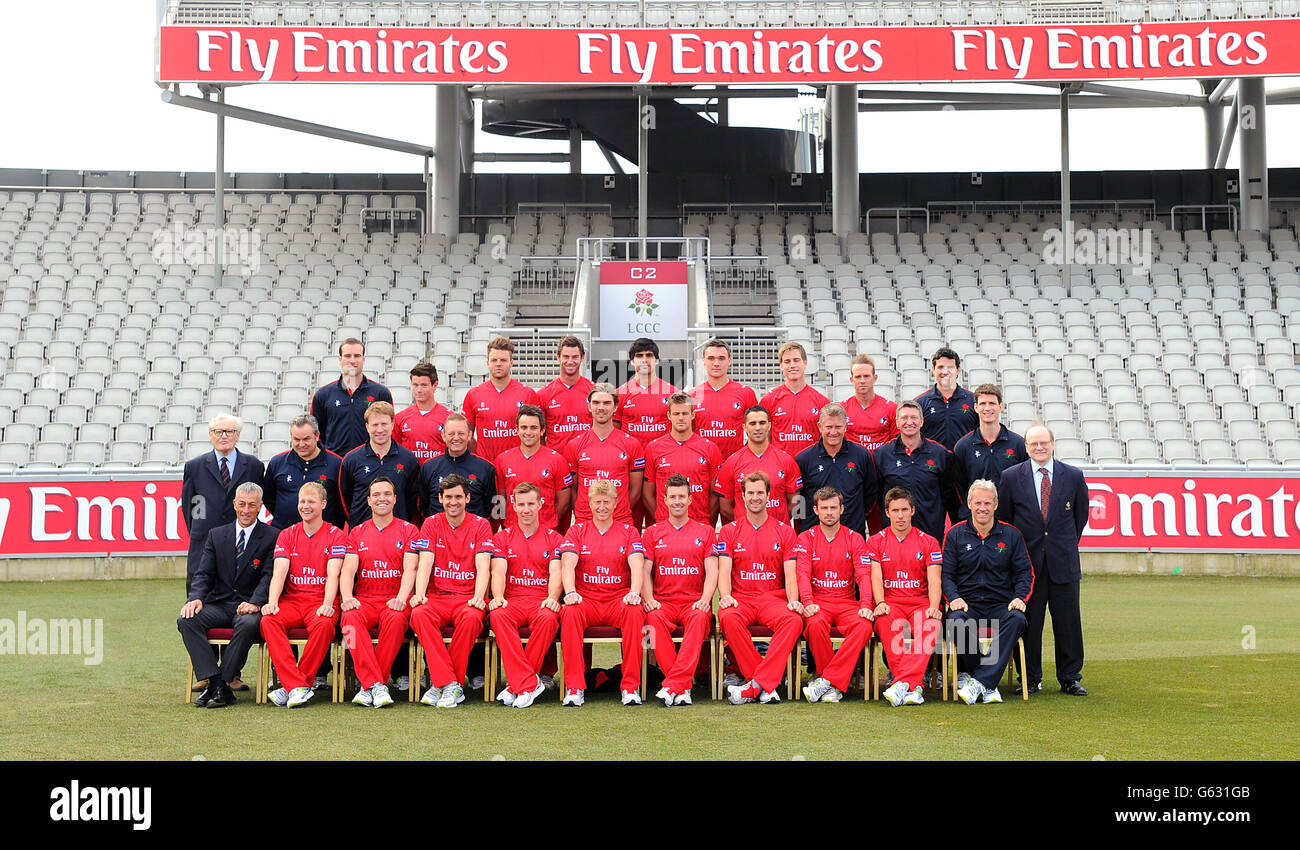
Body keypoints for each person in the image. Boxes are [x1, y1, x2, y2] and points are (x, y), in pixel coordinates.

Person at [997, 423, 1090, 696]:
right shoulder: (1011, 477)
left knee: (1068, 623)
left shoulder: (1073, 476)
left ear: (1052, 444)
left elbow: (1079, 519)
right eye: (1033, 444)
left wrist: (1062, 544)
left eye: (1044, 443)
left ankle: (1070, 677)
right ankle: (1030, 678)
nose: (1039, 448)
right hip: (1027, 567)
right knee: (1029, 623)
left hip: (1064, 563)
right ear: (1025, 447)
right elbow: (1006, 520)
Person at [178, 482, 277, 707]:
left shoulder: (272, 536)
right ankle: (217, 683)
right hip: (219, 604)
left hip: (250, 607)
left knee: (248, 624)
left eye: (252, 505)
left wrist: (255, 602)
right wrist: (195, 598)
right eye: (242, 504)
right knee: (187, 619)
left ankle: (219, 684)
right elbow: (203, 573)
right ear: (234, 504)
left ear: (261, 506)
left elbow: (268, 576)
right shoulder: (216, 535)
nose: (246, 510)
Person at [260, 482, 352, 708]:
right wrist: (272, 602)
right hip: (292, 601)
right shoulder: (287, 534)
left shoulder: (336, 535)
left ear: (323, 504)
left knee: (324, 625)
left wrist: (328, 603)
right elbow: (279, 573)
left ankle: (294, 686)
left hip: (319, 601)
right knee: (268, 620)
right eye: (302, 501)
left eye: (311, 501)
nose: (305, 506)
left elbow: (334, 574)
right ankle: (297, 686)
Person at [557, 480, 647, 707]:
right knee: (569, 613)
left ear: (615, 504)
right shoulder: (577, 530)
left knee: (635, 612)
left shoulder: (629, 531)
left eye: (607, 502)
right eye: (597, 502)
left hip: (618, 598)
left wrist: (635, 592)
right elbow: (567, 564)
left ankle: (630, 687)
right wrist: (570, 592)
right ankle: (575, 687)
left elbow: (637, 564)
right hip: (587, 598)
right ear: (589, 503)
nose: (602, 507)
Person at [944, 480, 1033, 705]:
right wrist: (954, 598)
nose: (982, 508)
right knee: (954, 621)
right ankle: (987, 681)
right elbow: (946, 575)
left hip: (1000, 604)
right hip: (967, 604)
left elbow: (1025, 572)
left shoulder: (1011, 535)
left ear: (996, 505)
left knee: (1018, 620)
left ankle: (980, 682)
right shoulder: (955, 534)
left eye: (987, 503)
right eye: (977, 503)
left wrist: (1019, 597)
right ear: (969, 504)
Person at [409, 475, 495, 708]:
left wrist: (479, 597)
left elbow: (483, 565)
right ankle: (451, 684)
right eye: (448, 497)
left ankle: (442, 684)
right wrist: (419, 594)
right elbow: (425, 562)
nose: (453, 502)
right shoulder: (431, 523)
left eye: (458, 497)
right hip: (438, 597)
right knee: (418, 614)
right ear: (440, 498)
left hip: (467, 597)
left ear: (467, 498)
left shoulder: (481, 524)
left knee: (471, 619)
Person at [718, 472, 803, 705]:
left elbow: (790, 572)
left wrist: (793, 600)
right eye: (751, 493)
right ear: (743, 496)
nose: (755, 497)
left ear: (768, 496)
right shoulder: (729, 531)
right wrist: (725, 596)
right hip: (741, 598)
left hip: (772, 599)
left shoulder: (785, 530)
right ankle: (766, 682)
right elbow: (724, 571)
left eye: (760, 493)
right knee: (727, 617)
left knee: (794, 620)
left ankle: (756, 685)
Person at [339, 476, 420, 708]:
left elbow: (411, 568)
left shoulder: (409, 530)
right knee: (349, 622)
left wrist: (402, 599)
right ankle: (377, 685)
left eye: (387, 494)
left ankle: (370, 685)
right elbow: (347, 570)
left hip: (394, 600)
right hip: (365, 600)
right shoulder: (357, 532)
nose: (381, 498)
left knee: (395, 621)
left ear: (395, 499)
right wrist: (347, 598)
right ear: (369, 501)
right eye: (376, 495)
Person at [641, 474, 719, 707]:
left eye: (681, 497)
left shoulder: (705, 531)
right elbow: (645, 570)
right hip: (663, 603)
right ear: (664, 500)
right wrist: (649, 599)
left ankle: (673, 685)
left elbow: (712, 569)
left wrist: (706, 600)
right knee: (651, 622)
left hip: (693, 602)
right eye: (673, 497)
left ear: (690, 500)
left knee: (698, 619)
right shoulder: (652, 532)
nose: (677, 501)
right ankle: (683, 686)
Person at [487, 483, 564, 709]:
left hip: (540, 599)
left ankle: (516, 685)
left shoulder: (554, 538)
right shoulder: (502, 538)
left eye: (531, 504)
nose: (526, 509)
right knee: (497, 615)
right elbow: (498, 570)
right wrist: (498, 596)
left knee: (549, 618)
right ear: (513, 506)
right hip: (513, 600)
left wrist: (552, 597)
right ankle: (529, 683)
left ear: (540, 504)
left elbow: (556, 571)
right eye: (521, 505)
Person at [795, 487, 874, 705]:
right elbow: (802, 574)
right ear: (815, 510)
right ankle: (834, 684)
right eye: (824, 508)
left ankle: (826, 680)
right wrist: (808, 602)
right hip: (819, 602)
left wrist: (866, 604)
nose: (829, 512)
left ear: (841, 509)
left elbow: (864, 575)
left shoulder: (855, 538)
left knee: (865, 625)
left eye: (833, 508)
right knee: (814, 623)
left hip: (847, 602)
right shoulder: (805, 538)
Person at [866, 487, 944, 707]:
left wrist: (935, 606)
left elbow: (935, 579)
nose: (900, 515)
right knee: (884, 621)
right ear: (887, 512)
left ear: (912, 511)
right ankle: (914, 686)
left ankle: (901, 683)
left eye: (904, 510)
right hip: (891, 603)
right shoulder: (875, 541)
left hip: (920, 602)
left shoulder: (928, 541)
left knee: (931, 625)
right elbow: (875, 576)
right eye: (895, 510)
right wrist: (880, 602)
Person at [181, 414, 265, 596]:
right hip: (204, 543)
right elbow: (189, 508)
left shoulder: (254, 466)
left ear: (238, 435)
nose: (223, 436)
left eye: (229, 431)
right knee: (198, 603)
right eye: (218, 431)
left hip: (242, 543)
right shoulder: (194, 466)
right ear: (211, 435)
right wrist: (201, 531)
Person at [871, 401, 958, 542]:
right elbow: (877, 495)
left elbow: (947, 493)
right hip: (895, 534)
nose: (909, 422)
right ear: (897, 422)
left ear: (922, 422)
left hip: (930, 531)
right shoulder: (881, 455)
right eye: (904, 418)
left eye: (914, 418)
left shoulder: (941, 454)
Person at [563, 383, 645, 525]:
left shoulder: (632, 444)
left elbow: (636, 491)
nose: (601, 408)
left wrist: (618, 512)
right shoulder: (574, 445)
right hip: (585, 523)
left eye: (607, 403)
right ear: (589, 406)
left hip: (621, 522)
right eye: (596, 403)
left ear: (615, 407)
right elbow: (572, 490)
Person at [616, 337, 678, 527]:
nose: (644, 360)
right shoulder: (620, 393)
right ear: (632, 361)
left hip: (661, 469)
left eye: (649, 355)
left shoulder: (672, 393)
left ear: (657, 360)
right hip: (630, 470)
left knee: (659, 524)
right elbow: (616, 434)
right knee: (628, 526)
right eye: (639, 356)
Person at [795, 403, 878, 536]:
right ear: (819, 427)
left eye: (838, 427)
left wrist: (855, 515)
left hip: (853, 533)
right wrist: (806, 525)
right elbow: (798, 500)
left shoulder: (862, 455)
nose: (833, 432)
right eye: (828, 427)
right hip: (814, 536)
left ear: (845, 427)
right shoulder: (804, 459)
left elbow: (871, 493)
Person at [642, 391, 722, 526]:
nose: (680, 418)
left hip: (700, 524)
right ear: (669, 415)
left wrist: (705, 522)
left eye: (685, 413)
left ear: (692, 415)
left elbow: (715, 496)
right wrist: (662, 520)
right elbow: (647, 494)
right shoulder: (654, 448)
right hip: (664, 525)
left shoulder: (710, 448)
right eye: (676, 413)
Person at [713, 405, 802, 525]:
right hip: (744, 536)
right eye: (753, 423)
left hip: (778, 535)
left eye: (762, 423)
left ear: (769, 426)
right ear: (744, 427)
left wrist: (777, 525)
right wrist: (745, 525)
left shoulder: (786, 460)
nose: (758, 428)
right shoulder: (732, 462)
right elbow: (725, 508)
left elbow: (795, 502)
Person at [952, 384, 1028, 520]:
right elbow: (959, 487)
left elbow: (1025, 483)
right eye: (983, 403)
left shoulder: (1018, 444)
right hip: (975, 521)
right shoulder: (963, 446)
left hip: (1009, 520)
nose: (987, 408)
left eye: (992, 403)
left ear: (1001, 406)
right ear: (975, 407)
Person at [462, 335, 541, 466]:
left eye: (503, 360)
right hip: (486, 467)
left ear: (511, 363)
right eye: (494, 360)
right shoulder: (473, 395)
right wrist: (479, 455)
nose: (498, 364)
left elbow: (539, 435)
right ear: (487, 363)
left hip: (519, 466)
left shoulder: (528, 394)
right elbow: (467, 435)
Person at [338, 401, 421, 526]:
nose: (380, 430)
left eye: (384, 424)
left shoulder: (408, 459)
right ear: (367, 427)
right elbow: (345, 499)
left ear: (392, 424)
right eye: (375, 425)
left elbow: (412, 499)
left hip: (398, 534)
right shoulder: (351, 460)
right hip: (361, 533)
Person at [311, 337, 393, 456]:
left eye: (357, 356)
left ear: (363, 359)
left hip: (369, 461)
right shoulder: (323, 395)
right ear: (340, 359)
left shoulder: (380, 393)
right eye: (348, 356)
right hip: (335, 462)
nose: (352, 360)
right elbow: (317, 433)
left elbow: (389, 428)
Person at [495, 405, 572, 531]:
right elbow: (500, 501)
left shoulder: (557, 460)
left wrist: (547, 524)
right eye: (524, 427)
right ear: (517, 430)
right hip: (513, 532)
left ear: (542, 430)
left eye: (534, 428)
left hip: (546, 533)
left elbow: (563, 503)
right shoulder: (502, 460)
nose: (528, 432)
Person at [262, 414, 345, 530]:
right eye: (296, 439)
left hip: (325, 537)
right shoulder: (277, 463)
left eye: (306, 439)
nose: (301, 444)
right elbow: (268, 498)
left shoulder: (337, 464)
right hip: (283, 535)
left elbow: (344, 502)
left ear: (317, 436)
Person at [417, 413, 497, 522]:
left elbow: (491, 508)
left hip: (473, 534)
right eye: (451, 434)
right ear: (443, 436)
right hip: (438, 534)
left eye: (461, 433)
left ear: (469, 435)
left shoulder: (486, 468)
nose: (456, 438)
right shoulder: (429, 467)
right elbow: (423, 506)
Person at [689, 338, 757, 460]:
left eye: (721, 358)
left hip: (735, 464)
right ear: (703, 361)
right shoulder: (692, 395)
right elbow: (689, 434)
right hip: (703, 464)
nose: (716, 363)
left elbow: (757, 430)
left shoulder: (746, 393)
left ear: (729, 361)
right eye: (711, 358)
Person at [760, 342, 830, 456]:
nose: (792, 365)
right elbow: (764, 437)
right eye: (787, 361)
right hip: (780, 466)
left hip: (811, 467)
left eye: (796, 360)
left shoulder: (821, 401)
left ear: (805, 363)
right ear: (781, 365)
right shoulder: (769, 400)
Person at [538, 335, 594, 456]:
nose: (570, 361)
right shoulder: (544, 394)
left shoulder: (594, 391)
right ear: (558, 357)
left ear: (582, 357)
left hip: (587, 461)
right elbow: (539, 435)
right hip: (557, 462)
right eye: (566, 357)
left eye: (575, 357)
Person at [915, 346, 978, 451]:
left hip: (964, 463)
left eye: (950, 367)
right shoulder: (920, 402)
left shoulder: (973, 400)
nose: (945, 371)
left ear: (958, 370)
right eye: (940, 367)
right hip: (932, 464)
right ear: (933, 370)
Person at [393, 361, 451, 462]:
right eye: (415, 385)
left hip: (438, 475)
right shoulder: (400, 418)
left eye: (424, 385)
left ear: (435, 385)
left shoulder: (449, 418)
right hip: (410, 476)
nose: (419, 390)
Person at [841, 354, 898, 452]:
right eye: (858, 377)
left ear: (875, 378)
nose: (862, 381)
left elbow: (897, 443)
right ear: (852, 380)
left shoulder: (891, 408)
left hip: (881, 464)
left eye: (866, 376)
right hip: (853, 464)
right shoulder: (842, 409)